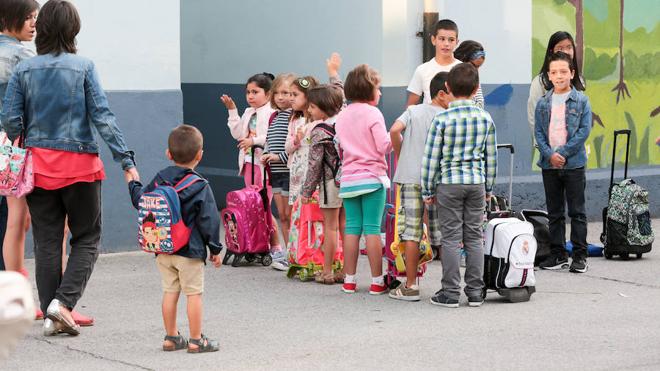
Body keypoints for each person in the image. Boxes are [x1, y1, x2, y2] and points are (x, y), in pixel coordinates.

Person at [1, 0, 139, 336]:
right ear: (73, 29)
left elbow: (10, 119)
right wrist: (126, 160)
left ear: (43, 28)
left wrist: (26, 136)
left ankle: (52, 313)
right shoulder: (84, 66)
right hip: (80, 167)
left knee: (47, 241)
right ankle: (62, 305)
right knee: (87, 237)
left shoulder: (24, 69)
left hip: (40, 166)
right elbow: (103, 117)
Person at [129, 125, 222, 353]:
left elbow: (141, 201)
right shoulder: (200, 185)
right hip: (190, 251)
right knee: (194, 294)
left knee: (170, 292)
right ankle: (196, 339)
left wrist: (133, 183)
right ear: (199, 155)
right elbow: (209, 219)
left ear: (168, 154)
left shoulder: (161, 178)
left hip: (163, 249)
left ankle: (171, 337)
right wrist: (215, 248)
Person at [421, 63, 497, 308]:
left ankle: (450, 293)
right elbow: (491, 157)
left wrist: (427, 189)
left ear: (447, 87)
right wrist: (489, 189)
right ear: (476, 89)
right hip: (476, 183)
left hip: (449, 184)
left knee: (451, 238)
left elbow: (431, 158)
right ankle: (476, 292)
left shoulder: (441, 118)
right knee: (475, 237)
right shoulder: (485, 118)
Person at [388, 72, 450, 301]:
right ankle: (448, 285)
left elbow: (394, 130)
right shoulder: (447, 115)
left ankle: (411, 285)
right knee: (443, 232)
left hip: (410, 177)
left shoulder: (413, 111)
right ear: (442, 94)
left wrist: (401, 154)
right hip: (438, 179)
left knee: (411, 232)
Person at [335, 64, 392, 295]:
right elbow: (384, 146)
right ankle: (377, 281)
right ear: (369, 89)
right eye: (378, 88)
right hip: (372, 178)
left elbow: (339, 145)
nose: (380, 93)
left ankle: (349, 280)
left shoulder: (343, 114)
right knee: (371, 229)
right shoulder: (373, 113)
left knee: (351, 228)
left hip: (349, 179)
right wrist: (397, 135)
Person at [535, 52, 592, 273]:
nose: (559, 76)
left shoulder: (581, 100)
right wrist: (550, 154)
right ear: (548, 75)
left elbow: (583, 131)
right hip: (549, 165)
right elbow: (539, 132)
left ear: (572, 73)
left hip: (573, 164)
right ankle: (558, 254)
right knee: (554, 212)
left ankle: (580, 255)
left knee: (577, 211)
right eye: (554, 72)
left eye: (563, 72)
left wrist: (564, 153)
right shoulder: (543, 103)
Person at [221, 73, 284, 268]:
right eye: (248, 92)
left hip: (263, 167)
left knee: (264, 206)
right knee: (252, 205)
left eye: (255, 92)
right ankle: (257, 244)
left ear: (268, 93)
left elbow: (272, 138)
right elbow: (238, 134)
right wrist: (233, 111)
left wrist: (253, 141)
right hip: (248, 164)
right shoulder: (249, 112)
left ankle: (276, 248)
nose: (250, 96)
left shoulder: (271, 112)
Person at [0, 0, 38, 316]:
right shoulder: (21, 55)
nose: (33, 23)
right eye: (27, 17)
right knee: (15, 219)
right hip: (11, 144)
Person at [300, 84, 345, 284]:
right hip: (348, 180)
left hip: (329, 183)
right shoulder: (344, 122)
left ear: (323, 106)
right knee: (345, 226)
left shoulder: (320, 131)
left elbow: (314, 164)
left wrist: (307, 190)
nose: (309, 111)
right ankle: (346, 271)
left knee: (331, 227)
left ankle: (327, 271)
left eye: (312, 107)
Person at [527, 31, 585, 145]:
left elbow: (583, 119)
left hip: (575, 152)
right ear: (551, 52)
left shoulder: (579, 81)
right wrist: (545, 147)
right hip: (550, 150)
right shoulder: (539, 83)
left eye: (569, 47)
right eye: (560, 48)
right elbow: (534, 118)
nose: (566, 52)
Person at [260, 73, 295, 254]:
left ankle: (296, 252)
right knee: (282, 216)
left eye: (286, 93)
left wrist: (279, 157)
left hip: (289, 171)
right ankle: (289, 253)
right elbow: (269, 140)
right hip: (276, 173)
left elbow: (295, 145)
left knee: (291, 215)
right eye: (277, 93)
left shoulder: (295, 116)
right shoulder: (274, 116)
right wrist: (266, 153)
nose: (280, 97)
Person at [406, 19, 461, 106]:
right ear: (433, 40)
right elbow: (411, 106)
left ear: (457, 42)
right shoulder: (422, 70)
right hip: (429, 119)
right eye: (442, 39)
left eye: (451, 40)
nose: (446, 44)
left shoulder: (463, 70)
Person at [453, 40, 486, 109]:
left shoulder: (474, 78)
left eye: (478, 67)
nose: (476, 71)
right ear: (462, 59)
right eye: (473, 66)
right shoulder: (451, 76)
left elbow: (480, 104)